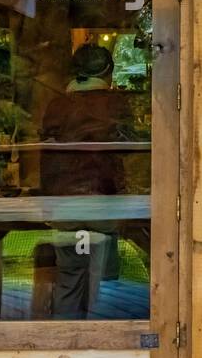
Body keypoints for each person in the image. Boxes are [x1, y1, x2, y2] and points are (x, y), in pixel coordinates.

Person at [41, 44, 133, 318]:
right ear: (107, 71)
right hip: (103, 204)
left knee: (69, 277)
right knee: (106, 284)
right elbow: (128, 147)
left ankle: (65, 340)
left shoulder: (56, 105)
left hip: (63, 206)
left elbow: (47, 156)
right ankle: (102, 339)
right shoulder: (115, 103)